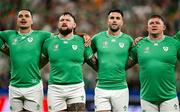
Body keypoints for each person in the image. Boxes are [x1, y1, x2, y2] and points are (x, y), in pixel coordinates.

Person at [42, 12, 97, 111]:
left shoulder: (82, 42)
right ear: (58, 24)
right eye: (62, 20)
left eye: (68, 20)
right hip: (55, 89)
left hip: (76, 88)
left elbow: (95, 64)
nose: (64, 22)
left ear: (74, 25)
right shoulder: (48, 42)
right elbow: (39, 63)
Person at [0, 9, 51, 112]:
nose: (23, 18)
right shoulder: (10, 35)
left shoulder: (40, 35)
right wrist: (6, 50)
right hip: (14, 86)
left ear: (32, 21)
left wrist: (82, 35)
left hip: (34, 87)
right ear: (17, 20)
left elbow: (62, 36)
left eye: (27, 16)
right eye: (20, 16)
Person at [127, 15, 180, 112]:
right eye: (151, 23)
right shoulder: (139, 44)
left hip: (169, 97)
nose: (154, 25)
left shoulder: (174, 43)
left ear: (164, 27)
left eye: (157, 23)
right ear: (147, 28)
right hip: (147, 99)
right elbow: (126, 64)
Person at [90, 9, 133, 112]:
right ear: (107, 21)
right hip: (101, 87)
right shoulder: (97, 38)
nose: (114, 20)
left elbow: (135, 57)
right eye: (112, 18)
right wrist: (95, 65)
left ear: (122, 22)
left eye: (118, 18)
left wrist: (123, 67)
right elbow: (86, 53)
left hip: (121, 88)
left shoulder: (128, 40)